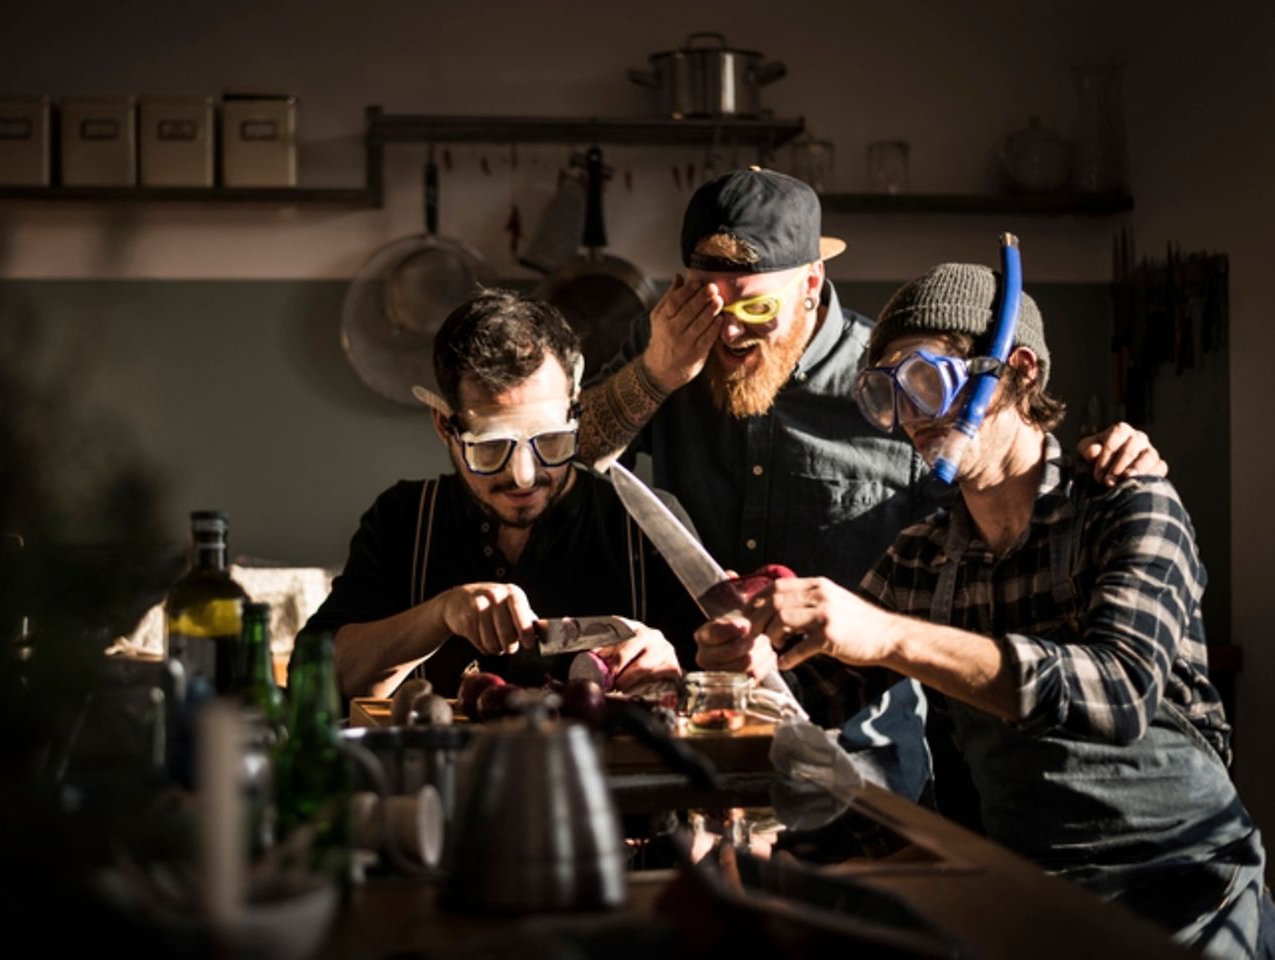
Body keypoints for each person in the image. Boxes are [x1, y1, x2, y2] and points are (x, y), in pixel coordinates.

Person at [697, 262, 1270, 956]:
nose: (909, 419)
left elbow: (1117, 692)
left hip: (1189, 900)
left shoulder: (1127, 504)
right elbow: (808, 693)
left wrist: (884, 635)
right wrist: (739, 664)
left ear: (1020, 373)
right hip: (1030, 898)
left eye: (927, 383)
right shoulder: (924, 556)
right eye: (887, 398)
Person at [577, 167, 1164, 799]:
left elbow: (996, 488)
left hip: (865, 750)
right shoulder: (667, 345)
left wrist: (1111, 459)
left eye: (754, 306)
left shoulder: (890, 382)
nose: (726, 330)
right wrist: (656, 374)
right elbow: (562, 467)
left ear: (809, 284)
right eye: (704, 301)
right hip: (708, 719)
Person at [299, 291, 699, 700]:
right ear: (444, 426)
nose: (524, 477)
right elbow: (314, 685)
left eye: (550, 441)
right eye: (491, 447)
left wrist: (676, 668)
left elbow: (728, 693)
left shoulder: (647, 524)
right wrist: (438, 616)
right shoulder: (404, 521)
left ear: (574, 412)